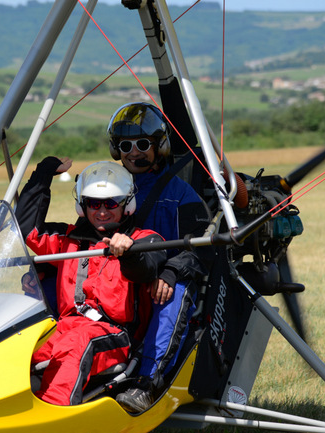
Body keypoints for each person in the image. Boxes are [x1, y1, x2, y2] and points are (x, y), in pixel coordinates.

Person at [15, 158, 166, 406]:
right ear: (81, 205)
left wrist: (129, 253)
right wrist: (42, 175)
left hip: (116, 336)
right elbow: (27, 231)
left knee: (77, 343)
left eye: (111, 203)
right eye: (94, 203)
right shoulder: (69, 240)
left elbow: (146, 269)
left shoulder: (145, 239)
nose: (102, 211)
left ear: (127, 204)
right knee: (19, 346)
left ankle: (54, 413)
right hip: (64, 328)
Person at [107, 102, 212, 413]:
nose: (134, 153)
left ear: (160, 147)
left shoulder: (181, 194)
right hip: (121, 274)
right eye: (126, 146)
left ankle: (147, 383)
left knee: (172, 294)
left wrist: (170, 273)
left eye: (143, 144)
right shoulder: (109, 190)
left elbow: (201, 249)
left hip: (165, 278)